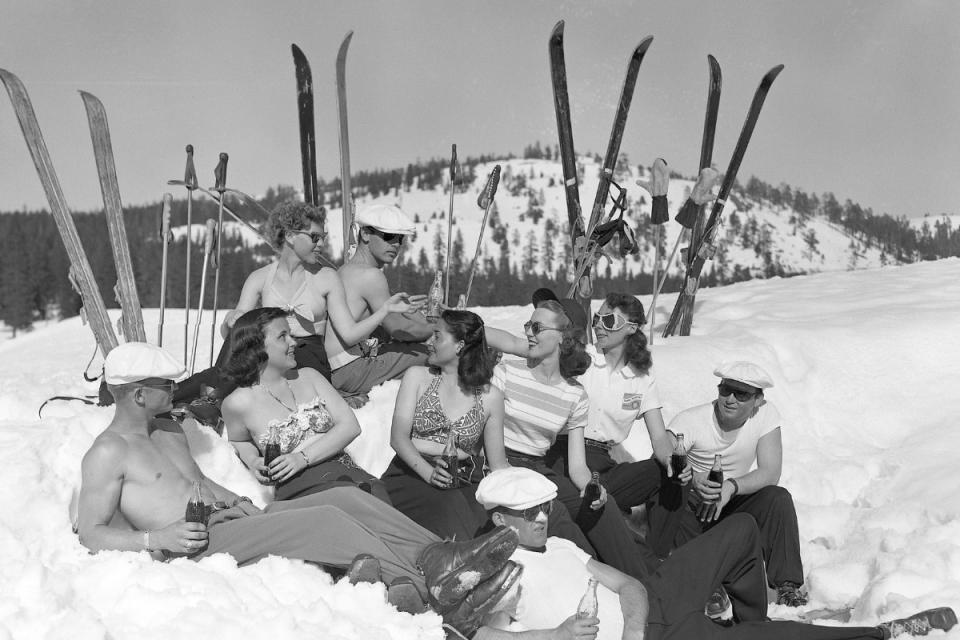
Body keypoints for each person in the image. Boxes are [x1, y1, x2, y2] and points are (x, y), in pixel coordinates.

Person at [76, 341, 522, 634]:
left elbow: (196, 480)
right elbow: (91, 531)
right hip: (193, 544)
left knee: (345, 497)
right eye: (165, 384)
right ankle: (435, 593)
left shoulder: (168, 430)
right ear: (137, 394)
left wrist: (235, 498)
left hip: (228, 520)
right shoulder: (108, 452)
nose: (176, 388)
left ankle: (438, 555)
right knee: (324, 519)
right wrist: (157, 539)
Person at [469, 467, 957, 640]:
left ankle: (748, 619)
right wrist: (555, 635)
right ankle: (882, 633)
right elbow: (480, 635)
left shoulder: (556, 544)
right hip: (666, 634)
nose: (539, 519)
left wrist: (635, 627)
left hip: (655, 606)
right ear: (499, 519)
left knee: (742, 527)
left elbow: (628, 584)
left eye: (542, 509)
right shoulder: (503, 572)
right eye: (527, 512)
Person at [172, 201, 417, 412]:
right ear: (290, 236)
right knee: (239, 344)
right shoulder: (260, 278)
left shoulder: (326, 277)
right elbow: (231, 335)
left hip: (306, 354)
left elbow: (349, 332)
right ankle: (176, 397)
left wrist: (384, 312)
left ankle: (208, 399)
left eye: (323, 238)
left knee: (255, 358)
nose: (321, 244)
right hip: (268, 349)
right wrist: (231, 320)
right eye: (314, 237)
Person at [483, 297, 660, 580]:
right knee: (567, 527)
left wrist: (592, 487)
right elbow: (479, 333)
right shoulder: (506, 373)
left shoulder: (574, 393)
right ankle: (607, 581)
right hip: (504, 461)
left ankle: (642, 586)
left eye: (537, 326)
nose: (528, 331)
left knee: (602, 506)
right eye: (528, 325)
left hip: (540, 466)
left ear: (562, 337)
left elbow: (578, 468)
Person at [648, 360, 807, 607]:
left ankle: (788, 586)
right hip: (692, 506)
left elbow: (770, 472)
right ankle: (704, 579)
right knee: (671, 493)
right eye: (725, 390)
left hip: (730, 503)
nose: (730, 399)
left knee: (777, 498)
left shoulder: (766, 415)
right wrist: (694, 477)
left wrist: (731, 487)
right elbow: (663, 452)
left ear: (758, 400)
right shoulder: (692, 419)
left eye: (741, 394)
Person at [220, 307, 389, 503]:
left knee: (375, 500)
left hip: (346, 474)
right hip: (300, 490)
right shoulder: (237, 403)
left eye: (291, 335)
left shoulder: (310, 376)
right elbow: (239, 440)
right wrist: (253, 461)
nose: (294, 342)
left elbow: (350, 426)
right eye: (283, 336)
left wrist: (302, 458)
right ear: (256, 347)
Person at [538, 290, 675, 514]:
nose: (599, 326)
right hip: (564, 454)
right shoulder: (583, 359)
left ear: (632, 327)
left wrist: (671, 461)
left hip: (603, 462)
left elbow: (659, 436)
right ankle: (604, 505)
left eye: (609, 320)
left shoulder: (642, 379)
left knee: (668, 474)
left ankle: (663, 548)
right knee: (599, 504)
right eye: (597, 320)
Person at [384, 309, 508, 539]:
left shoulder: (491, 397)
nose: (429, 342)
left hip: (463, 477)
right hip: (412, 471)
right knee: (450, 505)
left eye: (437, 336)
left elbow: (498, 463)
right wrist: (429, 473)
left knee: (487, 522)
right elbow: (398, 438)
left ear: (460, 345)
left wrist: (521, 494)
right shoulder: (418, 377)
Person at [326, 203, 433, 408]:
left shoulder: (347, 269)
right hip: (351, 370)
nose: (395, 244)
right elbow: (399, 330)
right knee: (433, 354)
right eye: (388, 237)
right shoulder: (371, 275)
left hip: (337, 368)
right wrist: (437, 327)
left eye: (399, 239)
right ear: (365, 234)